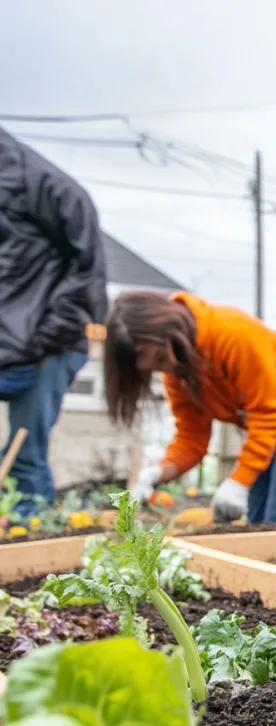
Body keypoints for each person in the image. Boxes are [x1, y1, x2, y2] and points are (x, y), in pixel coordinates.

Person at [103, 290, 276, 525]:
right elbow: (192, 439)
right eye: (156, 368)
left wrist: (239, 481)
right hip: (269, 428)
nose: (168, 368)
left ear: (168, 328)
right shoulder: (177, 373)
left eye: (161, 358)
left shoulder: (230, 332)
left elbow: (267, 412)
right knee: (257, 524)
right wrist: (158, 472)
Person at [0, 127, 108, 515]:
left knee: (26, 450)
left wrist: (49, 334)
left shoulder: (39, 183)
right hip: (10, 343)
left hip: (49, 342)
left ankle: (31, 542)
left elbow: (87, 265)